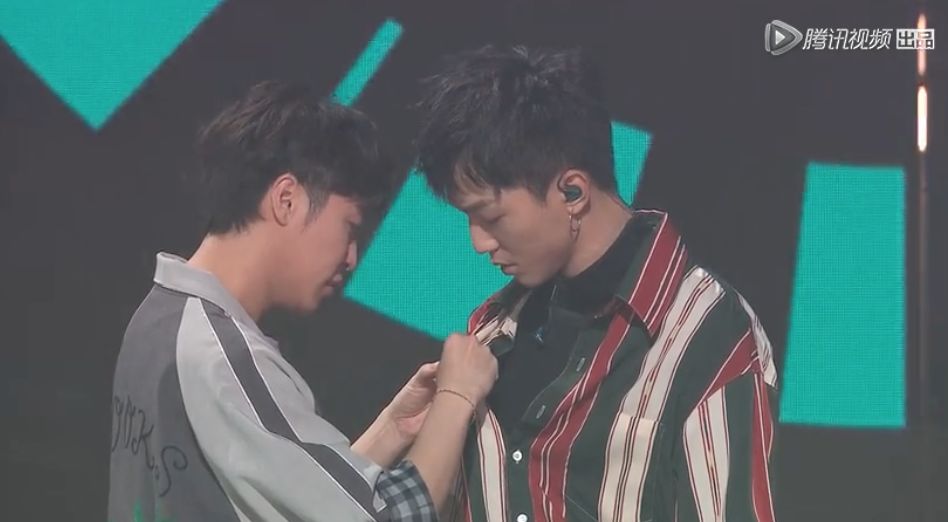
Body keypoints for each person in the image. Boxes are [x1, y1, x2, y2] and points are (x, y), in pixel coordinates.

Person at [415, 46, 779, 521]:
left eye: (491, 217)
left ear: (573, 192)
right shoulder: (489, 333)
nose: (478, 242)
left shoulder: (710, 335)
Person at [108, 80, 498, 522]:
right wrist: (457, 394)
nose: (351, 258)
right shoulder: (221, 357)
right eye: (350, 227)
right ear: (286, 200)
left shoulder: (157, 319)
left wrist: (392, 429)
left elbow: (290, 492)